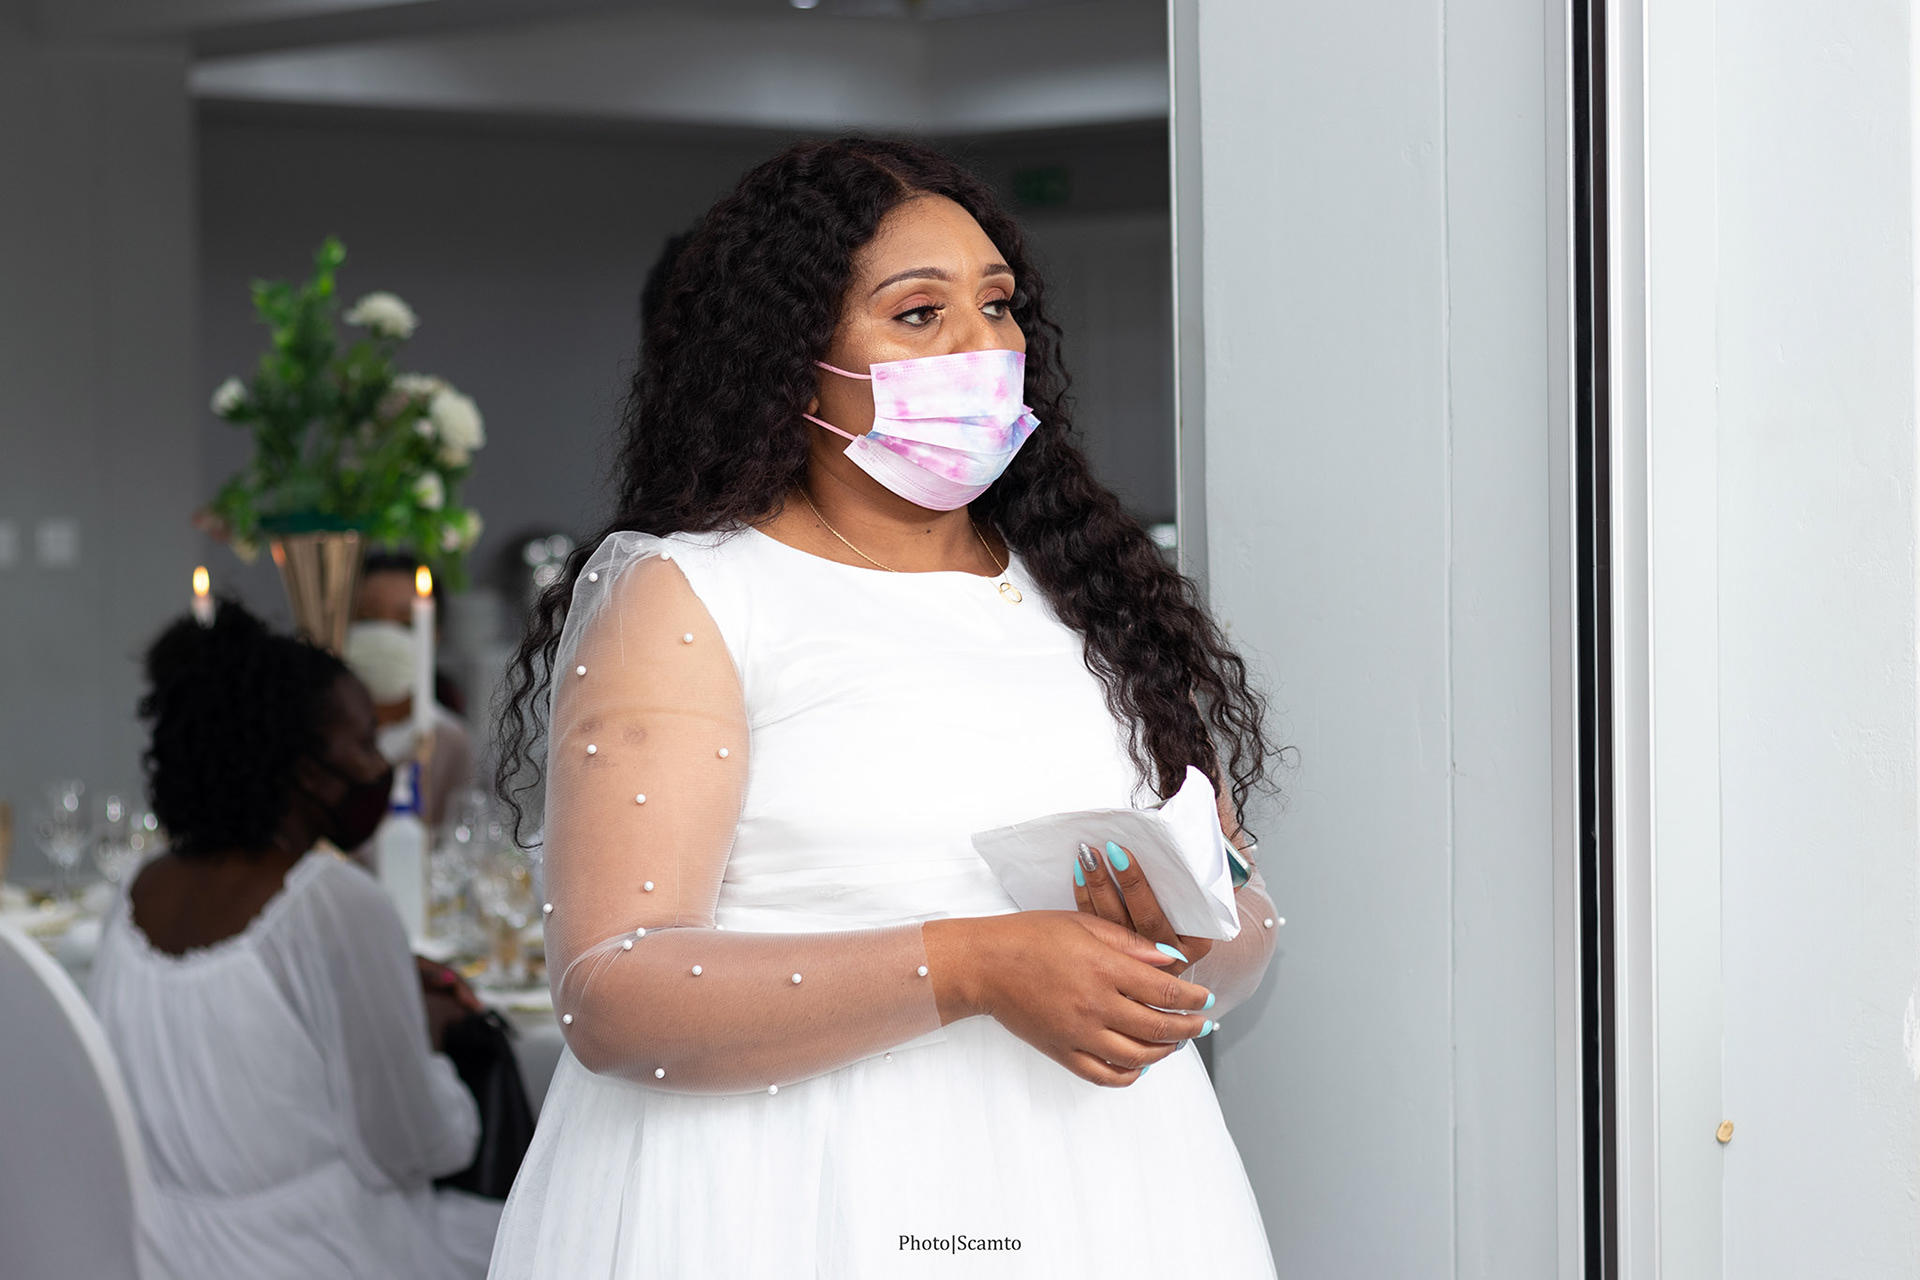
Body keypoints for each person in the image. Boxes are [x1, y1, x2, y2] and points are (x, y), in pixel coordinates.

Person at [488, 138, 1282, 1278]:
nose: (981, 346)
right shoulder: (694, 592)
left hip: (1103, 1187)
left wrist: (1181, 942)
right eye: (918, 314)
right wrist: (975, 966)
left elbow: (1247, 920)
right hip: (795, 1196)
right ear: (792, 364)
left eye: (998, 306)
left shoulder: (1094, 592)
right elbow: (613, 992)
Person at [88, 601, 502, 1280]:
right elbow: (412, 1145)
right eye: (365, 742)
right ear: (307, 769)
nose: (381, 763)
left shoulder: (138, 889)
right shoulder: (333, 900)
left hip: (157, 1253)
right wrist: (430, 1036)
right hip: (315, 1253)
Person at [349, 550, 475, 830]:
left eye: (406, 624)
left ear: (434, 637)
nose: (385, 638)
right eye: (367, 619)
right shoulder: (319, 738)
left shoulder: (449, 742)